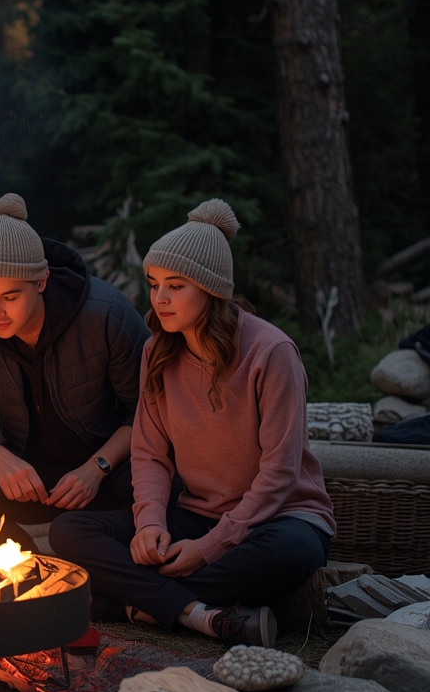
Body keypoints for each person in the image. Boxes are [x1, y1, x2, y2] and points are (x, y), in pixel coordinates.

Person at [50, 199, 335, 647]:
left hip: (279, 518)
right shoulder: (157, 352)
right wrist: (149, 523)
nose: (159, 298)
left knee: (292, 553)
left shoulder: (271, 352)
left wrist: (208, 548)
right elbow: (149, 453)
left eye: (175, 286)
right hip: (198, 514)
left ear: (210, 290)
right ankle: (196, 614)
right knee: (69, 531)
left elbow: (280, 474)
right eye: (154, 284)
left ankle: (126, 605)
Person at [0, 193, 149, 547]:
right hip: (26, 478)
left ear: (41, 281)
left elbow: (149, 411)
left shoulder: (105, 315)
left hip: (106, 473)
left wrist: (97, 468)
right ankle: (23, 566)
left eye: (10, 297)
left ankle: (97, 553)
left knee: (155, 483)